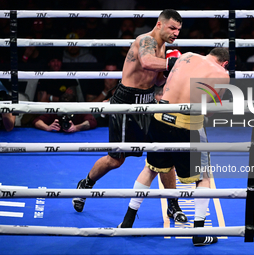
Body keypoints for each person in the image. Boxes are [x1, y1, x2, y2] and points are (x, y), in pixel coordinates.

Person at [72, 9, 188, 223]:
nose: (176, 33)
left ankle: (173, 205)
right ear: (160, 24)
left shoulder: (164, 48)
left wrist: (168, 73)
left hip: (148, 103)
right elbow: (146, 62)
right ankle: (85, 184)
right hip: (126, 104)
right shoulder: (145, 40)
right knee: (115, 160)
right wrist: (174, 64)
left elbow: (156, 81)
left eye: (179, 30)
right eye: (172, 28)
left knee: (164, 156)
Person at [118, 47, 230, 246]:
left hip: (160, 117)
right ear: (225, 63)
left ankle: (127, 221)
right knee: (204, 175)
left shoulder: (186, 56)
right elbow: (209, 111)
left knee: (150, 168)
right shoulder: (221, 73)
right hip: (185, 126)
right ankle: (199, 233)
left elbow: (165, 81)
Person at [32, 87, 97, 133]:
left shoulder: (79, 111)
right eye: (64, 110)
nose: (66, 115)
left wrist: (76, 127)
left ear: (74, 107)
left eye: (68, 110)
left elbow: (92, 121)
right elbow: (37, 121)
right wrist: (47, 127)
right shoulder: (56, 112)